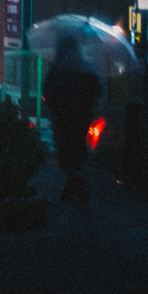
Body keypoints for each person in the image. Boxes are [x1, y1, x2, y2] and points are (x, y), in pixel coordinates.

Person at [42, 34, 101, 204]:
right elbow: (97, 90)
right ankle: (73, 185)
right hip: (82, 116)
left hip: (62, 116)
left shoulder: (58, 69)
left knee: (64, 152)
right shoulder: (85, 67)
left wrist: (56, 103)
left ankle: (75, 183)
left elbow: (47, 89)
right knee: (77, 150)